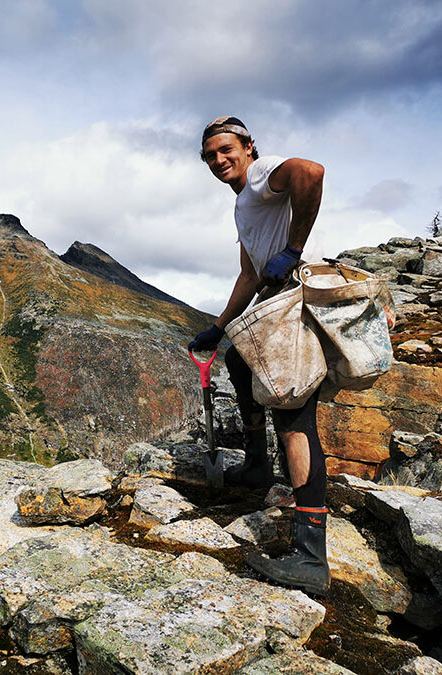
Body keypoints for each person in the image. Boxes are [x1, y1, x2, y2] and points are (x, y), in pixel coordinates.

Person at [188, 116, 329, 596]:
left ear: (249, 147)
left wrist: (293, 249)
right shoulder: (243, 205)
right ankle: (255, 467)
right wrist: (220, 327)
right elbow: (249, 274)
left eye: (225, 149)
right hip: (270, 304)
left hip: (293, 302)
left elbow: (310, 172)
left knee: (293, 420)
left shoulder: (265, 173)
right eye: (209, 155)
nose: (218, 160)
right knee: (237, 363)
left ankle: (311, 555)